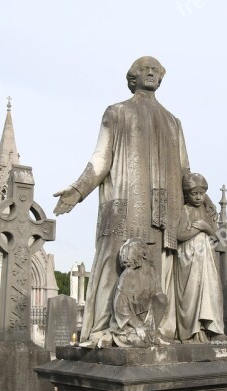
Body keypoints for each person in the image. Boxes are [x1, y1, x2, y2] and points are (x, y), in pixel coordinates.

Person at [53, 56, 189, 345]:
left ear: (162, 78)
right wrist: (78, 190)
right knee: (112, 266)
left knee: (156, 270)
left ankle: (155, 330)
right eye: (145, 69)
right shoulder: (116, 113)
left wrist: (198, 205)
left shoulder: (173, 123)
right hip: (126, 204)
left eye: (156, 70)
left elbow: (184, 170)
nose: (151, 72)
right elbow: (101, 159)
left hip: (164, 211)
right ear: (133, 77)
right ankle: (102, 328)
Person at [175, 173, 227, 343]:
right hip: (189, 258)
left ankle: (210, 329)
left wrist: (206, 228)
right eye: (194, 193)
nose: (198, 197)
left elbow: (217, 239)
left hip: (206, 259)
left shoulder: (207, 212)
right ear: (187, 194)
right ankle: (193, 330)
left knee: (210, 292)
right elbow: (178, 235)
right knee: (192, 294)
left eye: (201, 193)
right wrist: (196, 231)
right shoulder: (185, 210)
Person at [96, 238, 168, 348]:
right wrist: (138, 325)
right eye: (146, 249)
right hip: (126, 326)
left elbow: (157, 302)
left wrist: (149, 325)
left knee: (161, 298)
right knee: (141, 342)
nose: (149, 251)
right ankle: (112, 336)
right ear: (143, 254)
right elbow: (120, 307)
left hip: (146, 322)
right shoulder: (128, 275)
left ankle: (151, 335)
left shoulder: (152, 271)